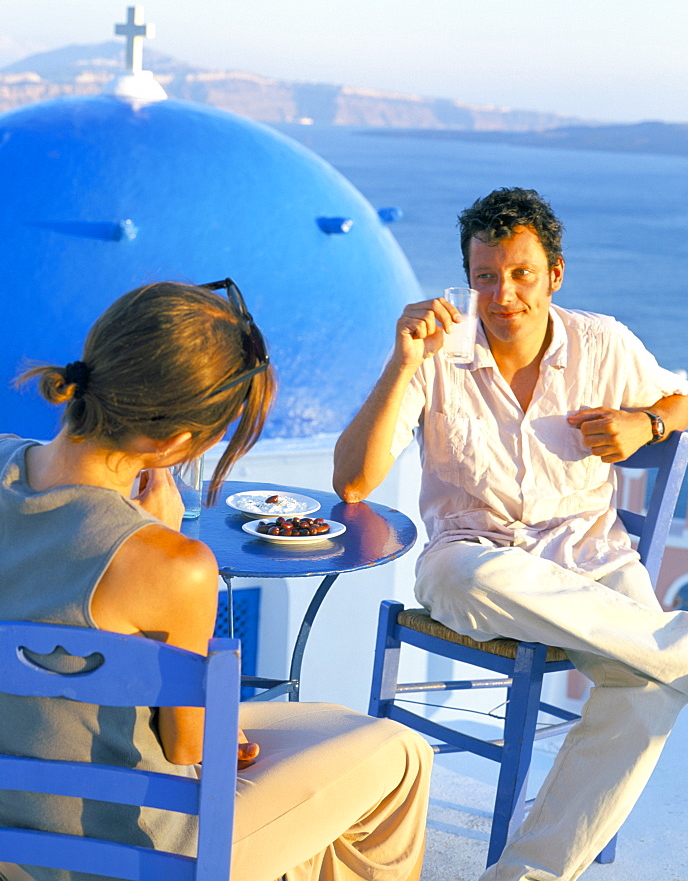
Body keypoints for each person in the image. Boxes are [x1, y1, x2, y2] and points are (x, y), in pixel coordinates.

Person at [333, 188, 688, 881]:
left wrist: (645, 424)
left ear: (554, 273)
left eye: (521, 274)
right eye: (485, 276)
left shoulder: (601, 342)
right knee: (472, 575)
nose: (503, 295)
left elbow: (680, 400)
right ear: (468, 278)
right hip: (472, 556)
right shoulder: (436, 352)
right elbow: (352, 483)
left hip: (590, 555)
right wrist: (402, 361)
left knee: (646, 692)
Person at [0, 279, 432, 881]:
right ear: (176, 442)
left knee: (326, 748)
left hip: (12, 836)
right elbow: (189, 748)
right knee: (400, 753)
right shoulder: (170, 564)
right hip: (128, 852)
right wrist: (161, 541)